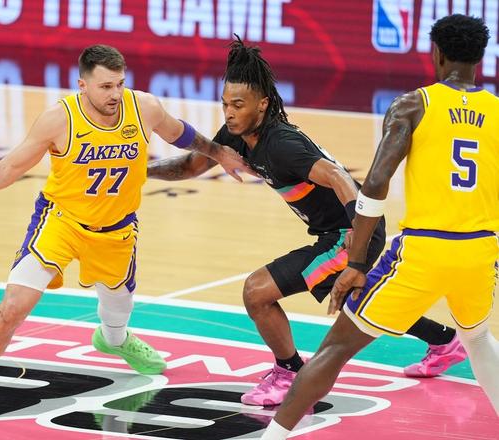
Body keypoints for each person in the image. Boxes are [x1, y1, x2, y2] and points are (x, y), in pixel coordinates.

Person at [0, 44, 251, 427]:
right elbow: (9, 168)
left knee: (117, 313)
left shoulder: (143, 107)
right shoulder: (58, 119)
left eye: (119, 84)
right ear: (83, 85)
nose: (115, 94)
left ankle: (114, 339)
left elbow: (184, 136)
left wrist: (219, 153)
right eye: (106, 86)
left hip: (117, 230)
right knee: (12, 307)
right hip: (61, 222)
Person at [147, 36, 467, 407]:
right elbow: (191, 166)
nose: (229, 113)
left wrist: (357, 235)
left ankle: (288, 373)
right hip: (338, 229)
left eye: (238, 104)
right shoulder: (236, 135)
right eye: (225, 104)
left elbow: (338, 176)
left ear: (263, 104)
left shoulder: (281, 144)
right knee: (359, 301)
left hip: (349, 231)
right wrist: (141, 169)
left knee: (257, 292)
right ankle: (444, 341)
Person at [260, 14, 499, 439]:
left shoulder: (414, 104)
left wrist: (356, 262)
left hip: (424, 251)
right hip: (480, 251)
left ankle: (272, 436)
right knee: (478, 340)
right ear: (480, 58)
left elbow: (374, 184)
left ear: (437, 53)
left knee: (335, 348)